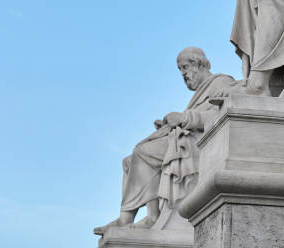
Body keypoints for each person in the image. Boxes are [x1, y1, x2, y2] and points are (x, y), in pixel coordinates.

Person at [94, 47, 234, 235]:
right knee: (129, 161)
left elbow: (222, 114)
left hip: (199, 143)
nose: (183, 74)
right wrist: (170, 124)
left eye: (184, 67)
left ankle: (144, 218)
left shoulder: (221, 82)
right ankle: (139, 216)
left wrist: (185, 119)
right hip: (187, 137)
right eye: (180, 69)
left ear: (197, 64)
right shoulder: (202, 89)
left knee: (143, 153)